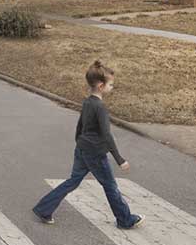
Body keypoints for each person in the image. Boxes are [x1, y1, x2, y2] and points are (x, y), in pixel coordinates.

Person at [32, 60, 143, 229]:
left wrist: (80, 142)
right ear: (100, 85)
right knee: (110, 186)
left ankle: (44, 208)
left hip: (82, 148)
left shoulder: (87, 102)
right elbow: (107, 135)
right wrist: (120, 159)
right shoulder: (100, 108)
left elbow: (80, 126)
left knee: (73, 181)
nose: (112, 87)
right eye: (111, 84)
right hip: (95, 154)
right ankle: (125, 219)